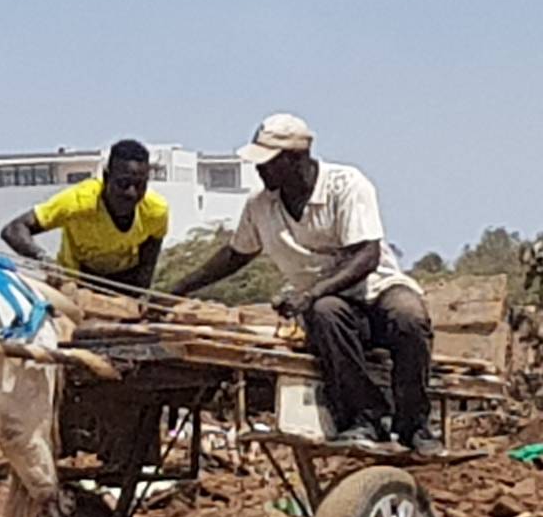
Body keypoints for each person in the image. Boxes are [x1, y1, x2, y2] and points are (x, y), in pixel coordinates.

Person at [170, 113, 441, 454]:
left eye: (267, 163)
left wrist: (311, 293)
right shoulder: (260, 206)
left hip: (376, 290)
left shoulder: (347, 185)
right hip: (331, 308)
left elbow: (367, 256)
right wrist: (179, 289)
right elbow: (235, 255)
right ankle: (365, 418)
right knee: (326, 313)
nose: (260, 171)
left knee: (409, 315)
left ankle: (414, 424)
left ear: (295, 159)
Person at [0, 139, 169, 294]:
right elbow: (13, 230)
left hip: (126, 284)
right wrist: (44, 261)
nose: (131, 193)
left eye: (140, 185)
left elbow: (147, 266)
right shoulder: (77, 202)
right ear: (106, 177)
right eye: (123, 184)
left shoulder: (156, 211)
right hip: (77, 281)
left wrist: (138, 300)